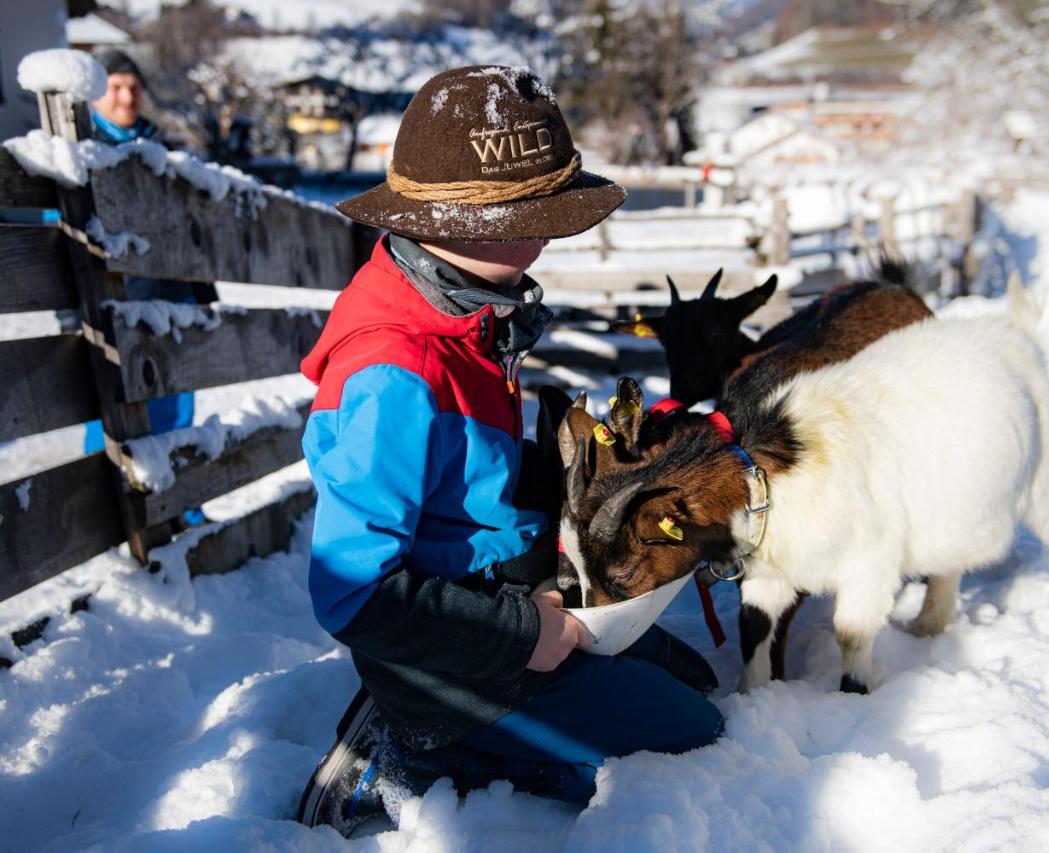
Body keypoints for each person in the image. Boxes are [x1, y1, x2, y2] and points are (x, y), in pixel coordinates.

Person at [295, 66, 723, 835]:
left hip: (504, 597)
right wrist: (528, 634)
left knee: (691, 675)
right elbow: (351, 594)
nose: (554, 231)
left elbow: (466, 474)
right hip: (462, 663)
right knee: (695, 737)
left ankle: (448, 722)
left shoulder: (462, 308)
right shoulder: (395, 374)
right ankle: (414, 753)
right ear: (464, 221)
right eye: (539, 212)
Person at [82, 49, 216, 486]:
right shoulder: (81, 149)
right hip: (113, 304)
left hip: (173, 300)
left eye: (133, 87)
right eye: (115, 87)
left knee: (175, 408)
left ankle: (180, 505)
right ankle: (109, 505)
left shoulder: (162, 147)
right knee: (113, 410)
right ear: (95, 93)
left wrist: (201, 291)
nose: (126, 97)